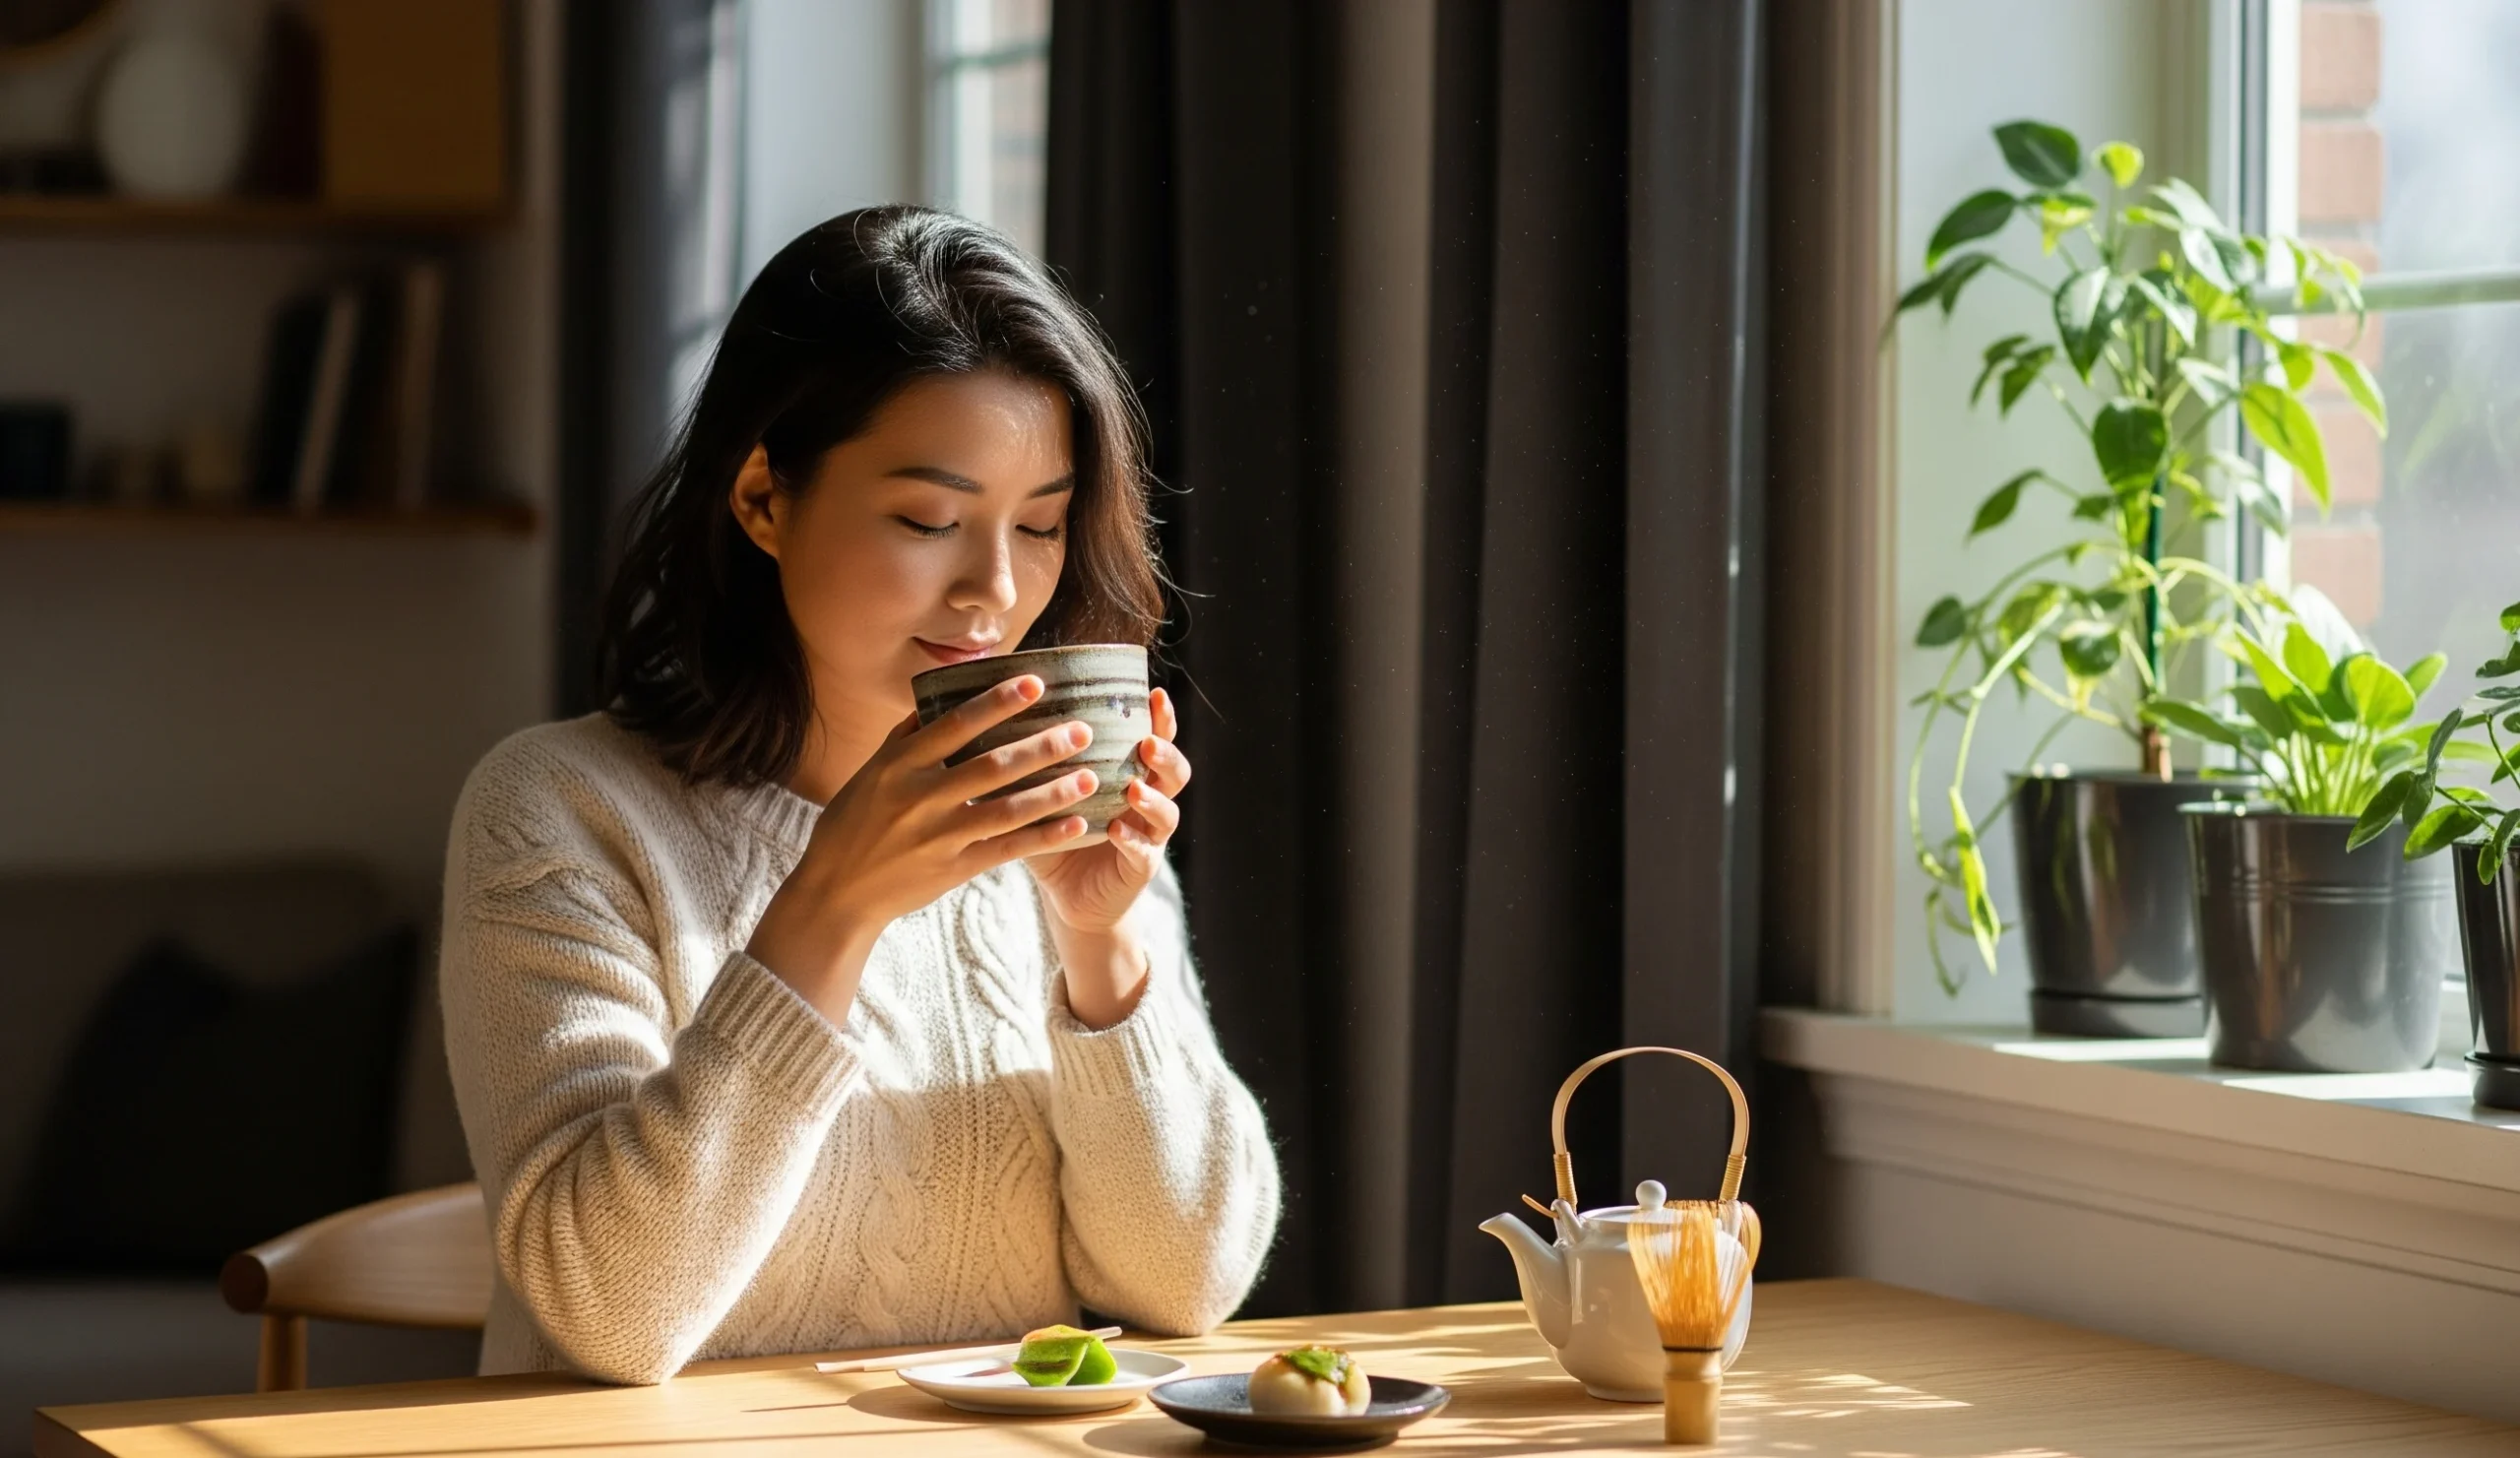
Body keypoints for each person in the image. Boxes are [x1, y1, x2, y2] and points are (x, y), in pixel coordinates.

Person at [438, 206, 1280, 1384]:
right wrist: (829, 905)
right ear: (762, 498)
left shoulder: (1058, 819)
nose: (994, 588)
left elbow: (1188, 1285)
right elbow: (614, 1313)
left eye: (1039, 524)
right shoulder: (559, 810)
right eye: (927, 519)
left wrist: (1104, 950)